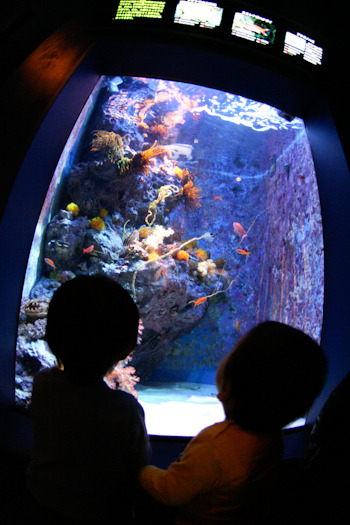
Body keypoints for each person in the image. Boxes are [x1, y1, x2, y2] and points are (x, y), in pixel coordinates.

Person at [138, 321, 327, 524]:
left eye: (234, 351)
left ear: (227, 389)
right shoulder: (272, 437)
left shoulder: (215, 444)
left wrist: (141, 470)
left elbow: (171, 491)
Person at [26, 275, 151, 524]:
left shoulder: (42, 385)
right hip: (103, 513)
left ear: (50, 338)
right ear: (127, 349)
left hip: (40, 503)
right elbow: (140, 463)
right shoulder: (124, 410)